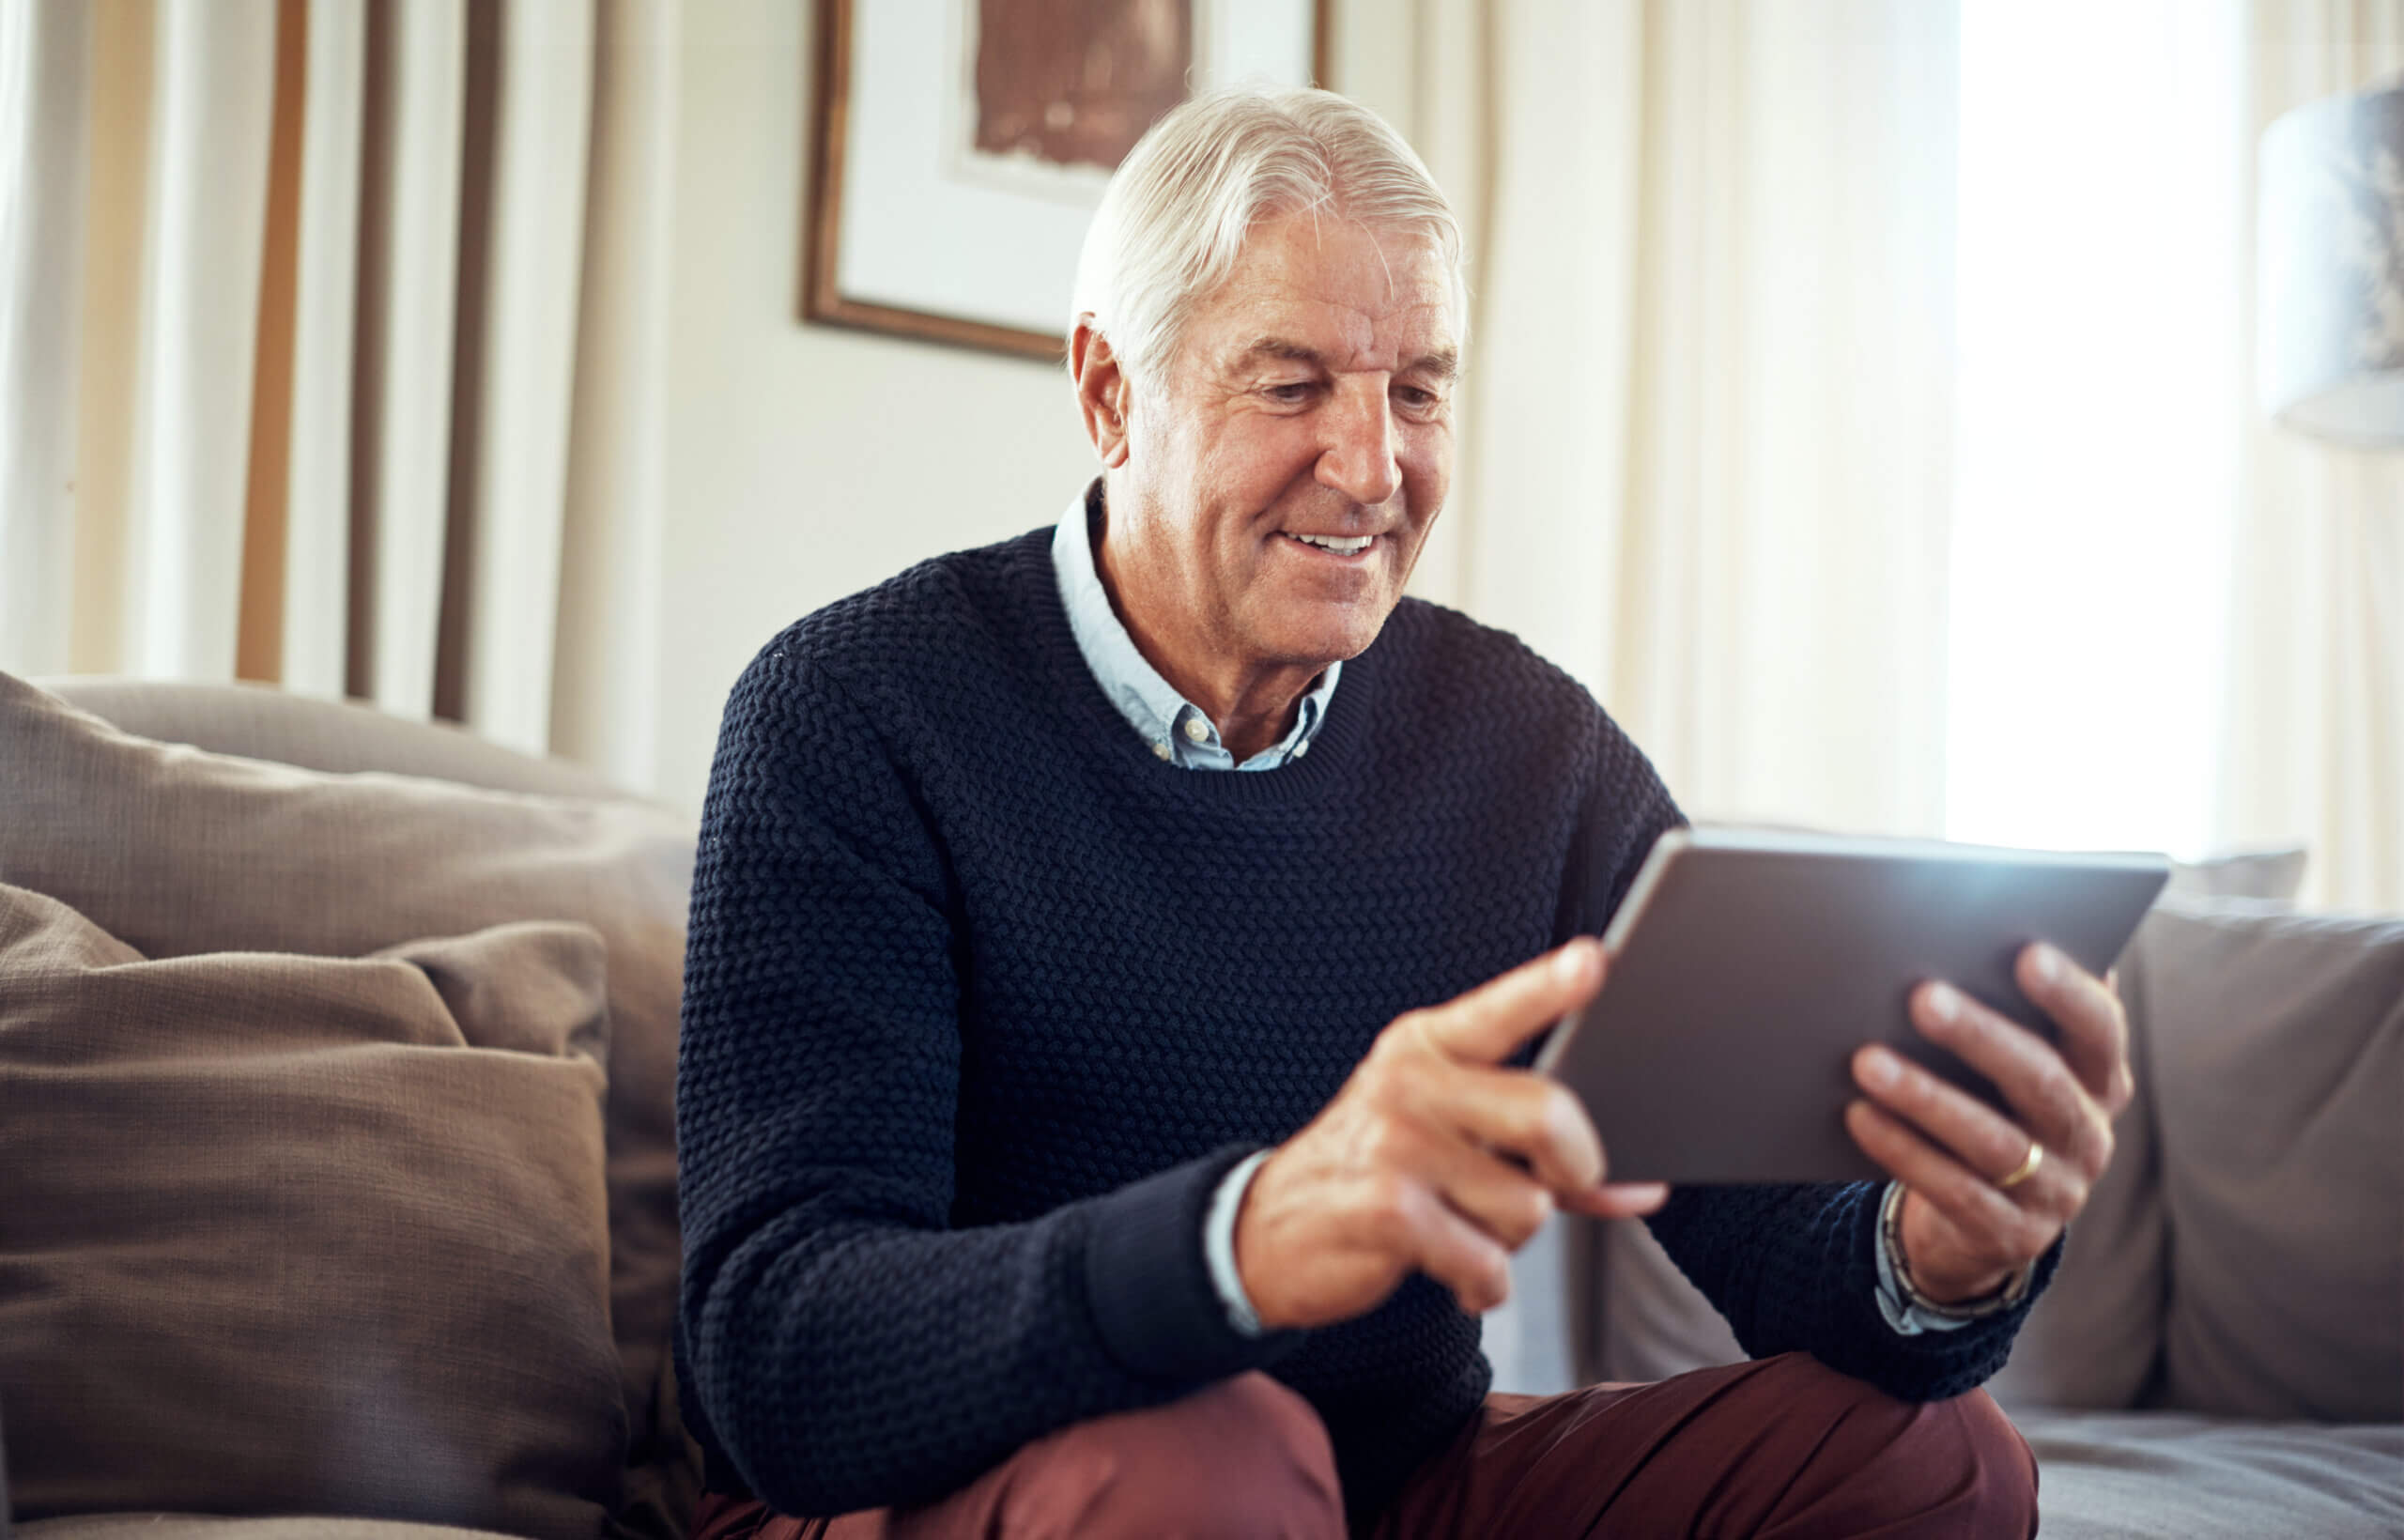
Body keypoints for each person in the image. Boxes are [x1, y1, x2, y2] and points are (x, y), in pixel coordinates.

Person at [676, 85, 2129, 1539]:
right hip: (977, 1491)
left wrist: (1934, 1257)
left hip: (1394, 1484)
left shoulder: (1527, 748)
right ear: (1111, 392)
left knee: (1941, 1459)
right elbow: (777, 1350)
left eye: (1419, 389)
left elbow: (1769, 1232)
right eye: (1292, 384)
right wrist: (1239, 1245)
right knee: (1217, 1465)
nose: (1374, 469)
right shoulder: (853, 712)